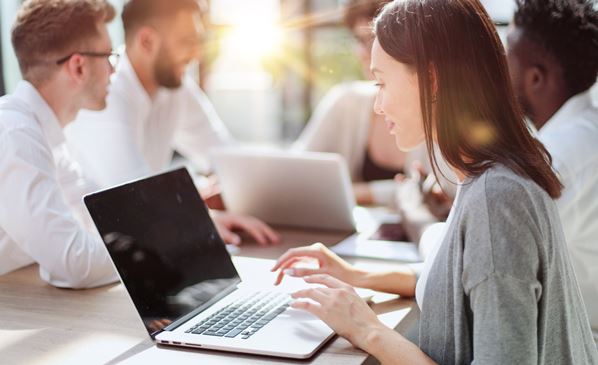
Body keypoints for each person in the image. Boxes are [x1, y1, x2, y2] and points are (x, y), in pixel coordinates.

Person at [272, 0, 598, 363]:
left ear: (432, 79)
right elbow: (456, 274)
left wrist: (367, 330)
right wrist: (356, 274)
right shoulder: (485, 174)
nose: (378, 105)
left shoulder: (498, 198)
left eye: (381, 82)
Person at [65, 0, 279, 246]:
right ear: (146, 41)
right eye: (187, 41)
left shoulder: (174, 88)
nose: (197, 54)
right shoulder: (107, 96)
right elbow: (135, 199)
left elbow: (224, 155)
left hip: (150, 243)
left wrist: (230, 185)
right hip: (99, 254)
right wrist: (202, 216)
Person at [0, 0, 120, 288]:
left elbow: (101, 214)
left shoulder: (45, 133)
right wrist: (155, 253)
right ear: (78, 66)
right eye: (109, 56)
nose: (113, 71)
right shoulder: (15, 134)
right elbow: (74, 263)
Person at [506, 0, 598, 332]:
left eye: (507, 60)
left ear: (535, 77)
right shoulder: (585, 135)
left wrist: (420, 223)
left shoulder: (556, 158)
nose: (500, 72)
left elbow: (492, 257)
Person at [294, 0, 407, 205]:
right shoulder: (347, 102)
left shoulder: (435, 111)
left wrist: (353, 193)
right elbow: (296, 174)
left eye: (371, 39)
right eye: (358, 39)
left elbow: (446, 191)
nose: (362, 52)